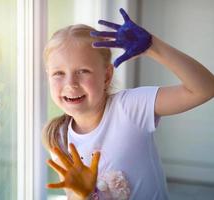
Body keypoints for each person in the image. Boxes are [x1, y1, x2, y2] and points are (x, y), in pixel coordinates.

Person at [42, 8, 214, 200]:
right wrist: (84, 195)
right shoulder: (59, 137)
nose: (71, 83)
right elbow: (73, 196)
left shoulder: (130, 108)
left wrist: (152, 47)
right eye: (58, 73)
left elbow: (204, 89)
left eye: (83, 71)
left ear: (107, 76)